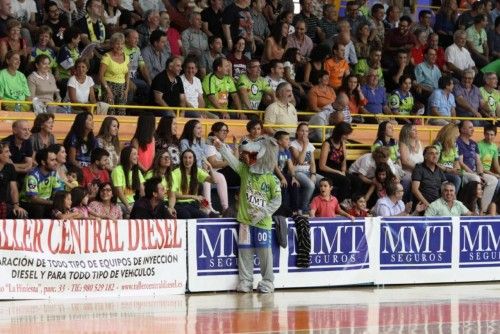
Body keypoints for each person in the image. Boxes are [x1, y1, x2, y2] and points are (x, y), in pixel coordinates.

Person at [212, 135, 281, 293]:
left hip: (263, 223)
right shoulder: (245, 171)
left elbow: (277, 201)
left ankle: (268, 281)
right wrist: (221, 147)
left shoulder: (272, 179)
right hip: (245, 222)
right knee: (245, 254)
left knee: (265, 256)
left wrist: (263, 212)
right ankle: (246, 281)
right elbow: (232, 161)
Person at [457, 120, 498, 213]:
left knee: (493, 180)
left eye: (473, 127)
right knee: (476, 178)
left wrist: (481, 173)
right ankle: (474, 208)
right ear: (462, 129)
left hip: (476, 172)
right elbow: (461, 163)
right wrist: (476, 175)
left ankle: (482, 209)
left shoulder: (473, 143)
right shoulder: (458, 142)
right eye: (470, 127)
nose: (473, 129)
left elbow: (478, 161)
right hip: (464, 172)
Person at [171, 149, 216, 219]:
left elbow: (214, 181)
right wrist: (194, 197)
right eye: (185, 157)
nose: (187, 160)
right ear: (182, 160)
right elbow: (175, 195)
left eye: (190, 158)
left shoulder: (197, 171)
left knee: (204, 217)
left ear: (194, 160)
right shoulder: (176, 173)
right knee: (186, 216)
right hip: (179, 204)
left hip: (193, 205)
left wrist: (210, 168)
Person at [290, 123, 323, 215]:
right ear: (297, 132)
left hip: (308, 171)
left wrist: (313, 174)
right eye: (302, 131)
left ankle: (319, 206)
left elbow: (312, 162)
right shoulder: (293, 144)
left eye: (306, 131)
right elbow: (300, 160)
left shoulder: (310, 145)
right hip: (297, 171)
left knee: (325, 181)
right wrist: (305, 145)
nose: (304, 133)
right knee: (310, 185)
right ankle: (303, 208)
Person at [20, 148, 60, 218]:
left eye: (56, 159)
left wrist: (59, 202)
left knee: (61, 206)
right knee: (39, 208)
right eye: (52, 160)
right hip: (28, 203)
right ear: (43, 162)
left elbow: (57, 192)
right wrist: (54, 203)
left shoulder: (54, 172)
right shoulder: (33, 175)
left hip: (46, 202)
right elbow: (33, 199)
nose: (56, 162)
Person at [318, 122, 352, 202]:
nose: (347, 137)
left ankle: (352, 202)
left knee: (357, 181)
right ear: (339, 133)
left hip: (339, 171)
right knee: (345, 181)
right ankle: (338, 203)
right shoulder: (327, 144)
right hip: (327, 171)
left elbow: (344, 159)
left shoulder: (342, 143)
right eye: (345, 134)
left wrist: (343, 171)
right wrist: (338, 172)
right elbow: (322, 166)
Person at [99, 32, 130, 115]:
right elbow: (101, 76)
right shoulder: (106, 57)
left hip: (122, 88)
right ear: (112, 44)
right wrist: (108, 91)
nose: (119, 46)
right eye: (117, 44)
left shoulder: (126, 57)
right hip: (109, 87)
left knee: (121, 113)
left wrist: (126, 90)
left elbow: (127, 75)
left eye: (122, 44)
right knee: (110, 113)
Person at [111, 146, 145, 216]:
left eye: (137, 154)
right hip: (119, 203)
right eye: (134, 154)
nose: (137, 156)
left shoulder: (137, 172)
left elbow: (142, 192)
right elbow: (119, 192)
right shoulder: (118, 170)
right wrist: (128, 207)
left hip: (132, 203)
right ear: (126, 156)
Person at [0, 142, 27, 218]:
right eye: (6, 152)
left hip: (3, 203)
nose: (10, 154)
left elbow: (13, 189)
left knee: (21, 214)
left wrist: (16, 205)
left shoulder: (10, 167)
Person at [399, 123, 423, 190]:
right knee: (407, 180)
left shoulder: (419, 142)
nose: (416, 131)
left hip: (420, 170)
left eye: (416, 129)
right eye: (413, 130)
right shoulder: (403, 144)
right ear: (407, 132)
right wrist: (419, 169)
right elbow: (405, 161)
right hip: (408, 171)